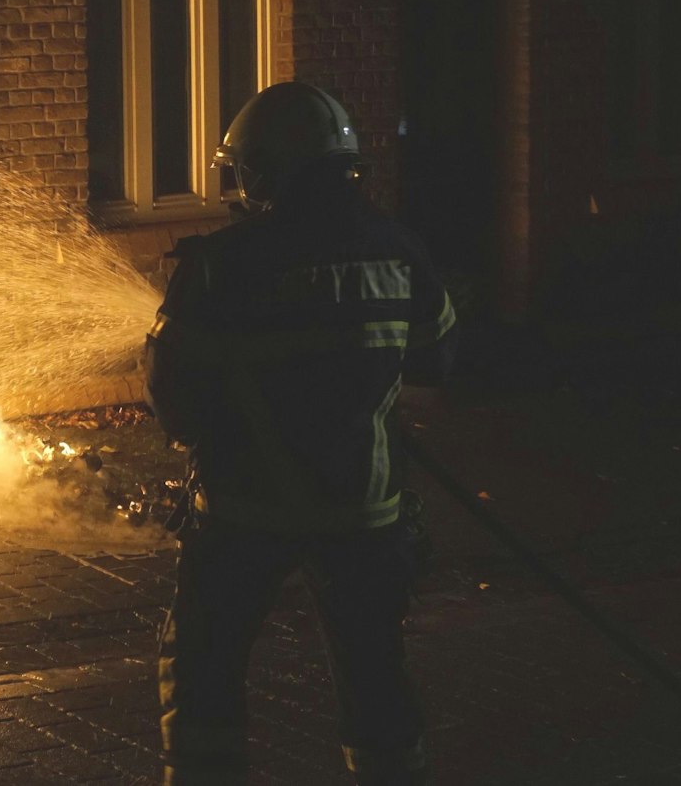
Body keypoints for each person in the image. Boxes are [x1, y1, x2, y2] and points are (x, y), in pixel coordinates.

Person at [146, 82, 458, 786]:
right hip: (365, 510)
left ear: (267, 170)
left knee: (203, 663)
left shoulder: (220, 264)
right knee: (373, 668)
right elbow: (433, 374)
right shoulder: (400, 253)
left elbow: (173, 396)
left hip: (242, 513)